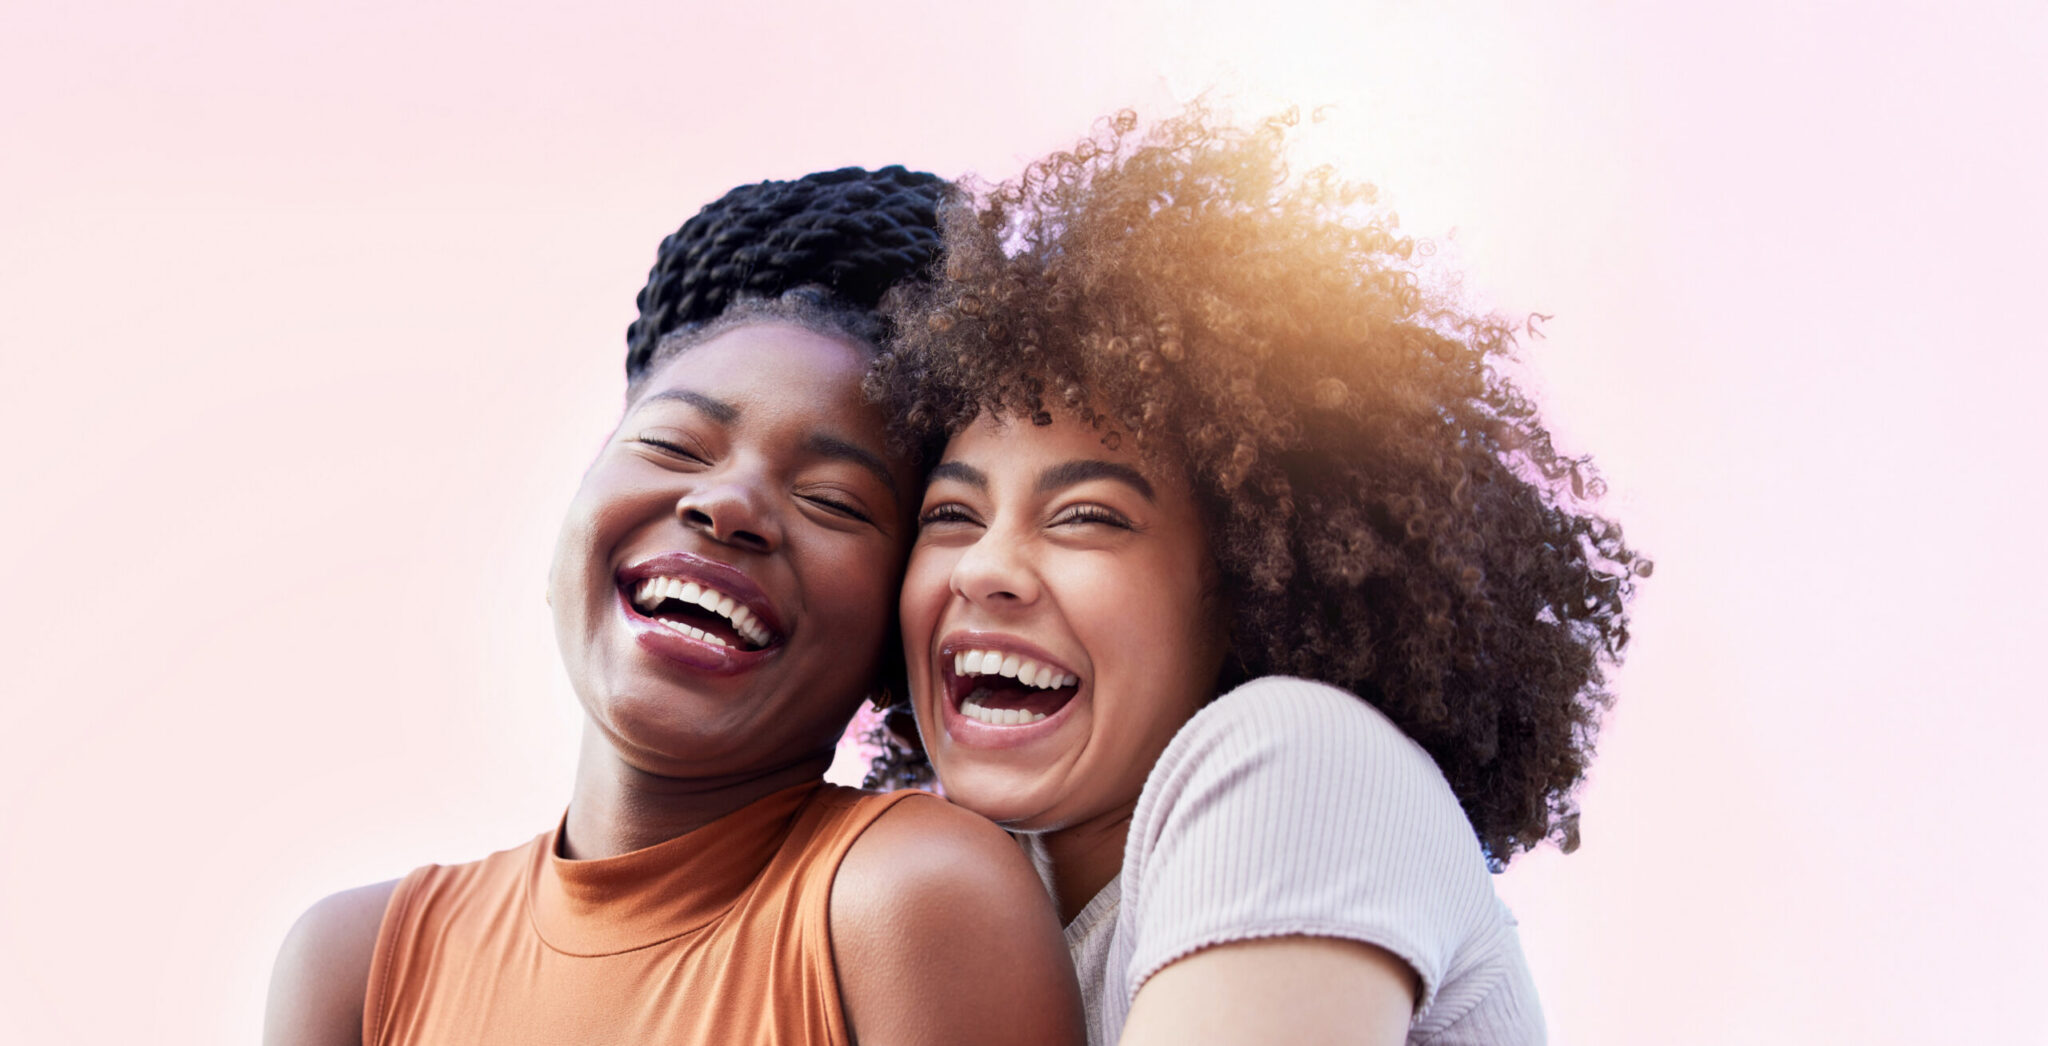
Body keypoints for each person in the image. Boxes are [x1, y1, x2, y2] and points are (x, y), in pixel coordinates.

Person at [868, 110, 1647, 1044]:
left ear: (1252, 586)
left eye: (1088, 517)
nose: (987, 567)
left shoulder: (1300, 762)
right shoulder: (966, 886)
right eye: (951, 515)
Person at [263, 167, 1083, 1046]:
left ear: (892, 640)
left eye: (833, 500)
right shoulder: (358, 966)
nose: (728, 504)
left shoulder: (913, 898)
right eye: (673, 445)